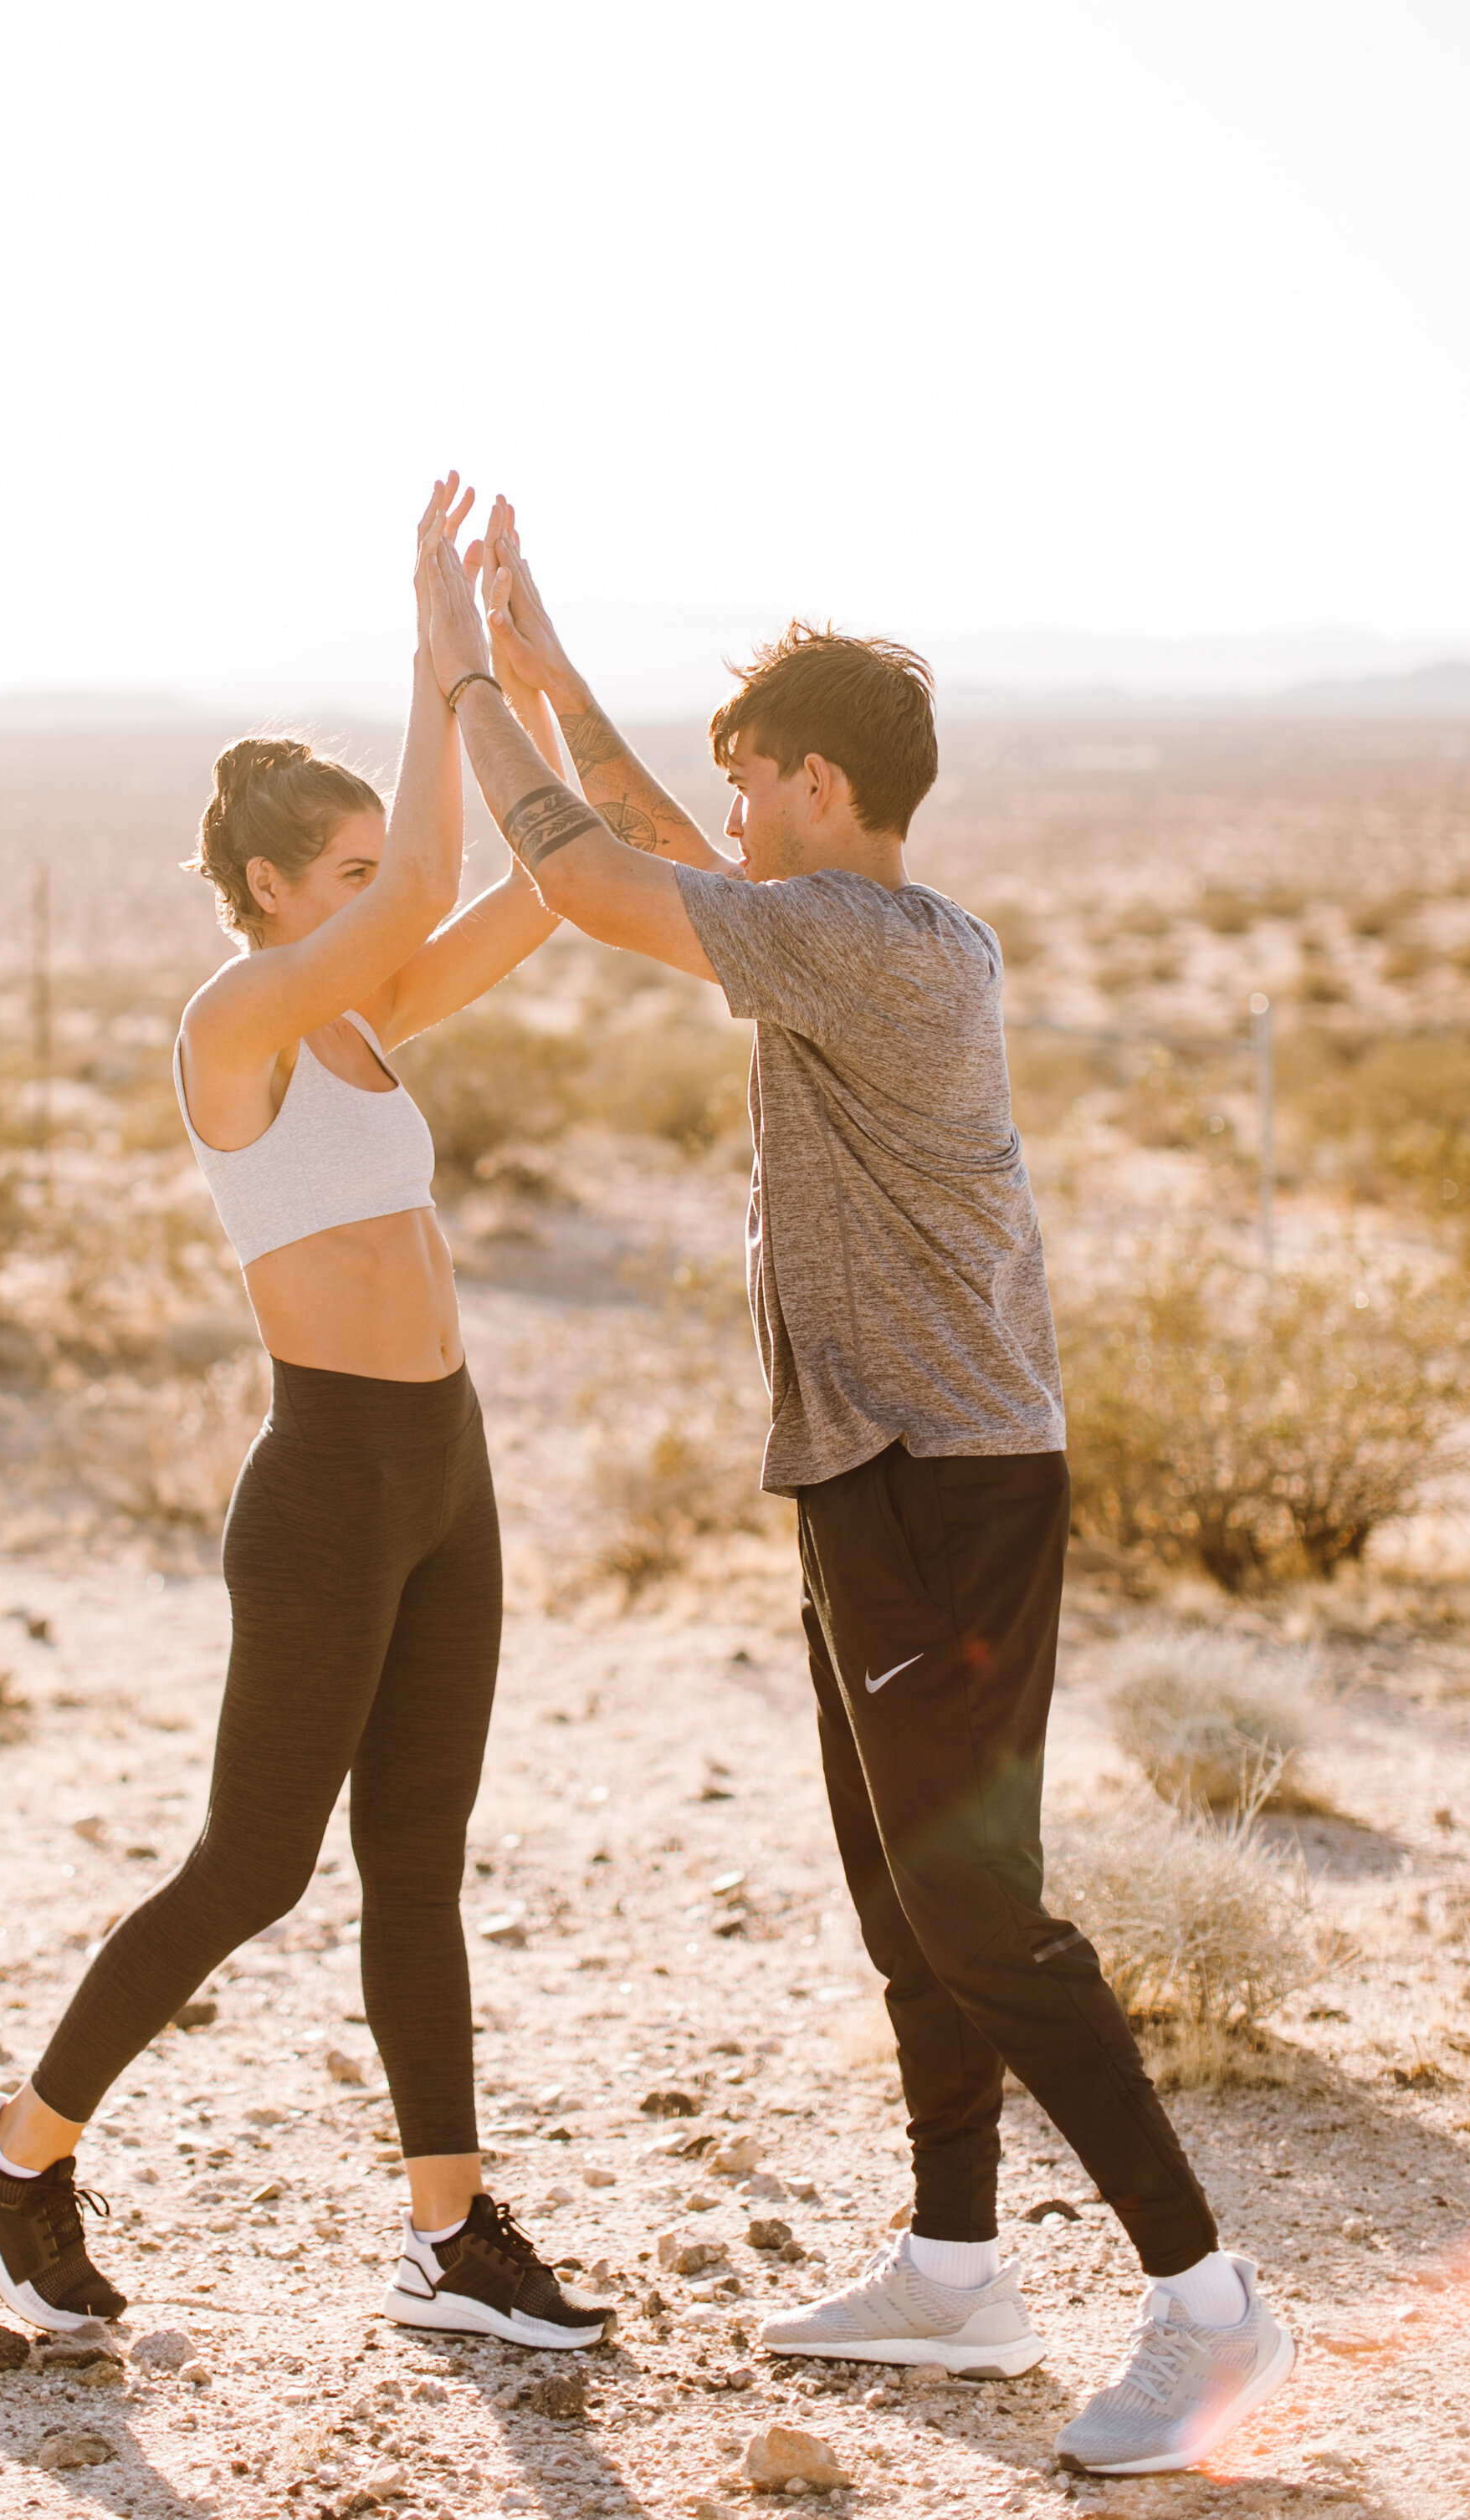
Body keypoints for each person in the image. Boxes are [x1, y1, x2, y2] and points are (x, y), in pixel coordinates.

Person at [417, 503, 1295, 2481]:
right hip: (873, 1470)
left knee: (977, 1909)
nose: (729, 817)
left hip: (942, 1487)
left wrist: (458, 678)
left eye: (750, 786)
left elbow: (587, 878)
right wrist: (551, 673)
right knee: (908, 1900)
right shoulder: (838, 933)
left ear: (822, 788)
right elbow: (658, 854)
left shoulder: (870, 952)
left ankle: (1209, 2308)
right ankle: (954, 2264)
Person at [0, 477, 610, 2355]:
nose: (374, 903)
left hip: (444, 1468)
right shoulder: (229, 1024)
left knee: (418, 1863)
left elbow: (542, 885)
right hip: (323, 1479)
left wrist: (527, 679)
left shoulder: (362, 1023)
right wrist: (434, 654)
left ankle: (451, 2240)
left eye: (369, 876)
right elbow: (419, 897)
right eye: (339, 879)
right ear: (259, 898)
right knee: (253, 1864)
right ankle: (16, 2154)